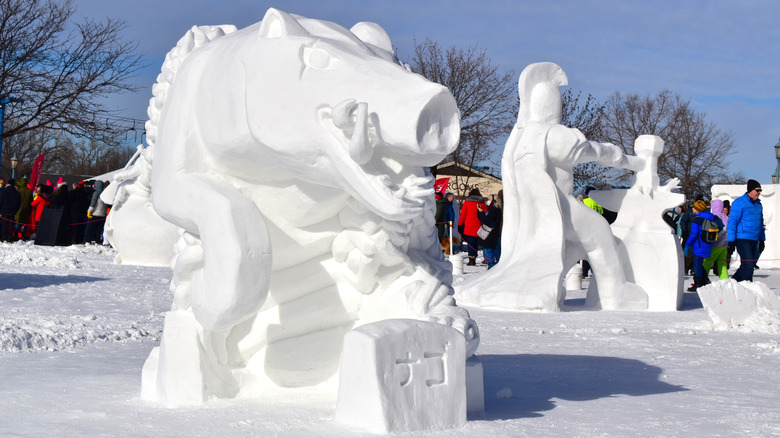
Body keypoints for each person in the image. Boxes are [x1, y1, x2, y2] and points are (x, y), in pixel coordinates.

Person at [728, 179, 765, 282]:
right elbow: (732, 222)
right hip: (743, 239)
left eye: (760, 190)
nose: (759, 192)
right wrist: (731, 241)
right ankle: (747, 286)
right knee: (748, 264)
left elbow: (760, 222)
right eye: (757, 190)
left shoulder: (758, 204)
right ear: (750, 190)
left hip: (755, 239)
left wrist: (762, 240)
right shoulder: (739, 203)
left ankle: (733, 284)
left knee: (749, 265)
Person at [685, 200, 723, 291]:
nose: (692, 209)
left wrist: (687, 246)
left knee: (696, 265)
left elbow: (693, 235)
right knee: (700, 264)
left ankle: (698, 284)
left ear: (697, 209)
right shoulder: (712, 217)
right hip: (708, 244)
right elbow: (721, 226)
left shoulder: (697, 220)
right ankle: (705, 280)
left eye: (694, 207)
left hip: (698, 246)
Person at [458, 188, 487, 266]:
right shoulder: (483, 204)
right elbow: (486, 215)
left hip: (469, 227)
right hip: (479, 227)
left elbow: (462, 215)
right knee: (476, 244)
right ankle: (475, 256)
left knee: (470, 244)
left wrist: (460, 224)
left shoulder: (467, 203)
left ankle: (471, 259)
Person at [703, 199, 729, 280]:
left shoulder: (712, 216)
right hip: (725, 244)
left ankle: (702, 278)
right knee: (722, 263)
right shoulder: (726, 217)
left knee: (708, 262)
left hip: (715, 243)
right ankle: (724, 278)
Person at [479, 190, 503, 269]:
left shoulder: (494, 210)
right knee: (494, 248)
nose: (487, 201)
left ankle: (491, 264)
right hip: (494, 232)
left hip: (491, 232)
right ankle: (493, 262)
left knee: (489, 248)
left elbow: (487, 220)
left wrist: (480, 212)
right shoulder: (495, 209)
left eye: (489, 199)